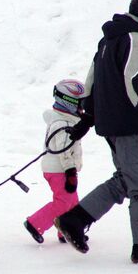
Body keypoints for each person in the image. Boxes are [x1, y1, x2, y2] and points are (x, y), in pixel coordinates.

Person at [54, 0, 138, 264]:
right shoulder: (135, 39)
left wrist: (86, 121)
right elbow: (136, 85)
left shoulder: (106, 42)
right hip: (131, 125)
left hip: (112, 126)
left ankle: (74, 220)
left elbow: (91, 85)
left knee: (126, 180)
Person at [24, 79, 88, 244]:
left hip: (60, 168)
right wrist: (70, 173)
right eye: (80, 104)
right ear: (69, 103)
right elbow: (64, 151)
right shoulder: (63, 124)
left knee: (72, 202)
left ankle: (68, 230)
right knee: (63, 203)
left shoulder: (65, 120)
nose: (83, 108)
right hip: (60, 170)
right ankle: (35, 223)